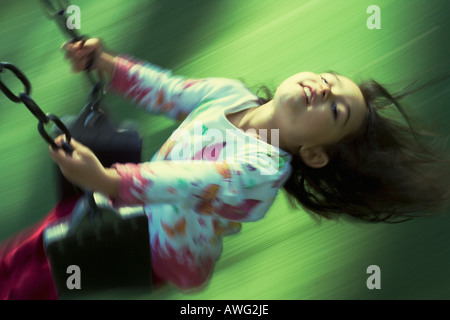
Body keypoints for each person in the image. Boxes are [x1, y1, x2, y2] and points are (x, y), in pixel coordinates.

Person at [1, 38, 449, 299]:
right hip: (133, 202)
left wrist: (108, 181)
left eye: (336, 112)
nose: (324, 91)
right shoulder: (229, 96)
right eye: (330, 82)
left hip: (158, 249)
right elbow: (167, 91)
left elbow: (190, 182)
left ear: (314, 153)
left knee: (43, 273)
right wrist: (107, 64)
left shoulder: (262, 172)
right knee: (34, 246)